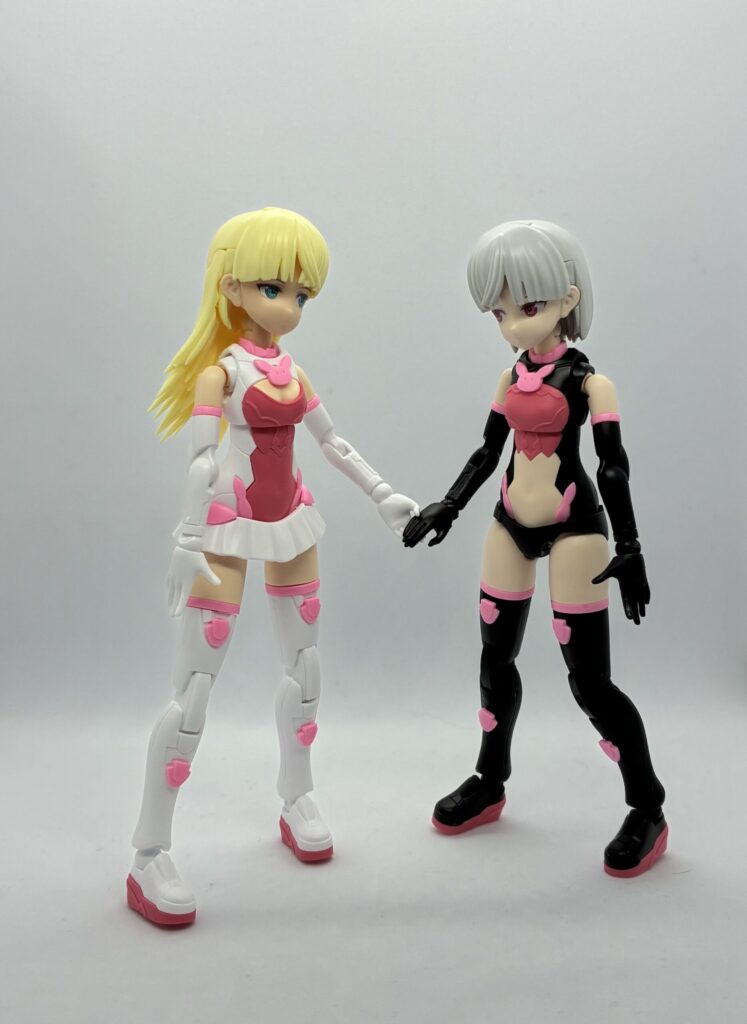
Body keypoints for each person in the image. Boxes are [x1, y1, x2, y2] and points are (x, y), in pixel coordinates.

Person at [128, 208, 418, 925]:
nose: (289, 306)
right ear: (231, 286)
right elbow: (202, 460)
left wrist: (381, 493)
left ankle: (297, 797)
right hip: (227, 526)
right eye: (273, 288)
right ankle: (148, 852)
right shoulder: (218, 374)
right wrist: (186, 536)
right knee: (194, 690)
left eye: (301, 294)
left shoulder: (292, 370)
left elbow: (332, 441)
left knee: (305, 669)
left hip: (291, 520)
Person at [403, 220, 667, 878]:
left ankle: (647, 807)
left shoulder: (590, 384)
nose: (512, 325)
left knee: (590, 682)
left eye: (526, 307)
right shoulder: (509, 377)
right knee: (495, 660)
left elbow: (612, 468)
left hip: (575, 526)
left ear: (567, 298)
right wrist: (449, 503)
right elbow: (487, 451)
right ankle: (489, 780)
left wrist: (629, 544)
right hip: (509, 520)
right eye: (499, 313)